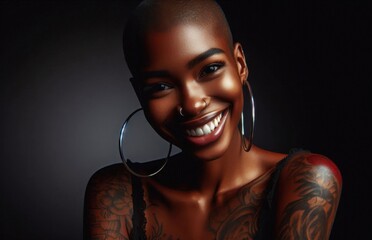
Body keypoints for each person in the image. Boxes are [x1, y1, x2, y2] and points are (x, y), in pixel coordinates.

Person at [83, 0, 342, 239]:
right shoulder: (115, 193)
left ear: (240, 64)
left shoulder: (307, 180)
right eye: (161, 86)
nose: (193, 104)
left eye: (209, 69)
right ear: (140, 96)